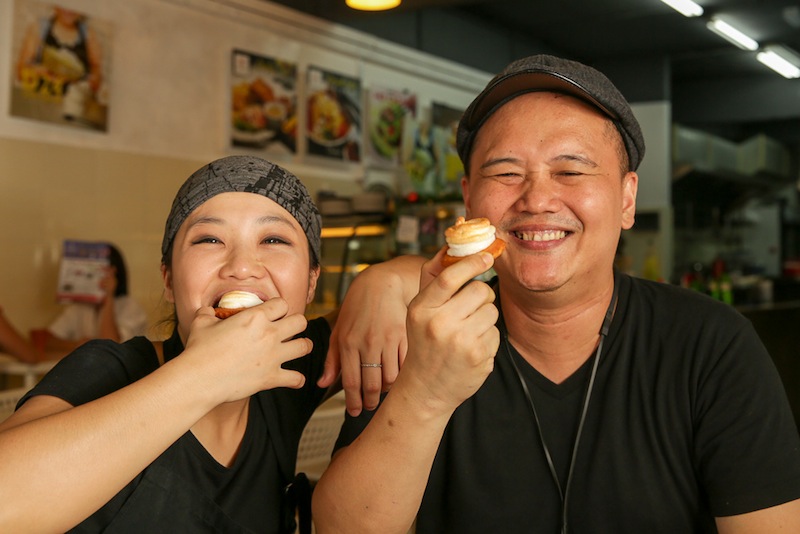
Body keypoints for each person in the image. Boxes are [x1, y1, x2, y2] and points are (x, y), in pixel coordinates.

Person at [312, 55, 800, 533]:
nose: (537, 199)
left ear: (627, 199)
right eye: (505, 173)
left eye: (571, 171)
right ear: (468, 199)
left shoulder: (710, 345)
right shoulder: (428, 333)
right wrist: (426, 391)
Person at [0, 155, 368, 532]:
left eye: (273, 239)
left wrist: (381, 282)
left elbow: (406, 297)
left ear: (311, 283)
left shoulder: (292, 368)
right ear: (169, 279)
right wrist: (204, 374)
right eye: (209, 239)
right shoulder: (107, 368)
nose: (241, 266)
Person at [44, 243, 149, 353]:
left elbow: (110, 346)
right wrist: (76, 344)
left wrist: (108, 298)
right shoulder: (81, 306)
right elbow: (49, 341)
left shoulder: (131, 308)